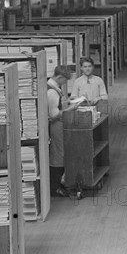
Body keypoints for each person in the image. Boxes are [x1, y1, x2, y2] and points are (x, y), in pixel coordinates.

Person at [47, 65, 78, 197]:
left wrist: (67, 102)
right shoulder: (51, 92)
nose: (65, 83)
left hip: (60, 125)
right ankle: (55, 187)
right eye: (65, 80)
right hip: (56, 126)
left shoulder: (54, 88)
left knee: (61, 153)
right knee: (58, 155)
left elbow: (58, 106)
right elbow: (54, 116)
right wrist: (71, 109)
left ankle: (59, 184)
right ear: (59, 77)